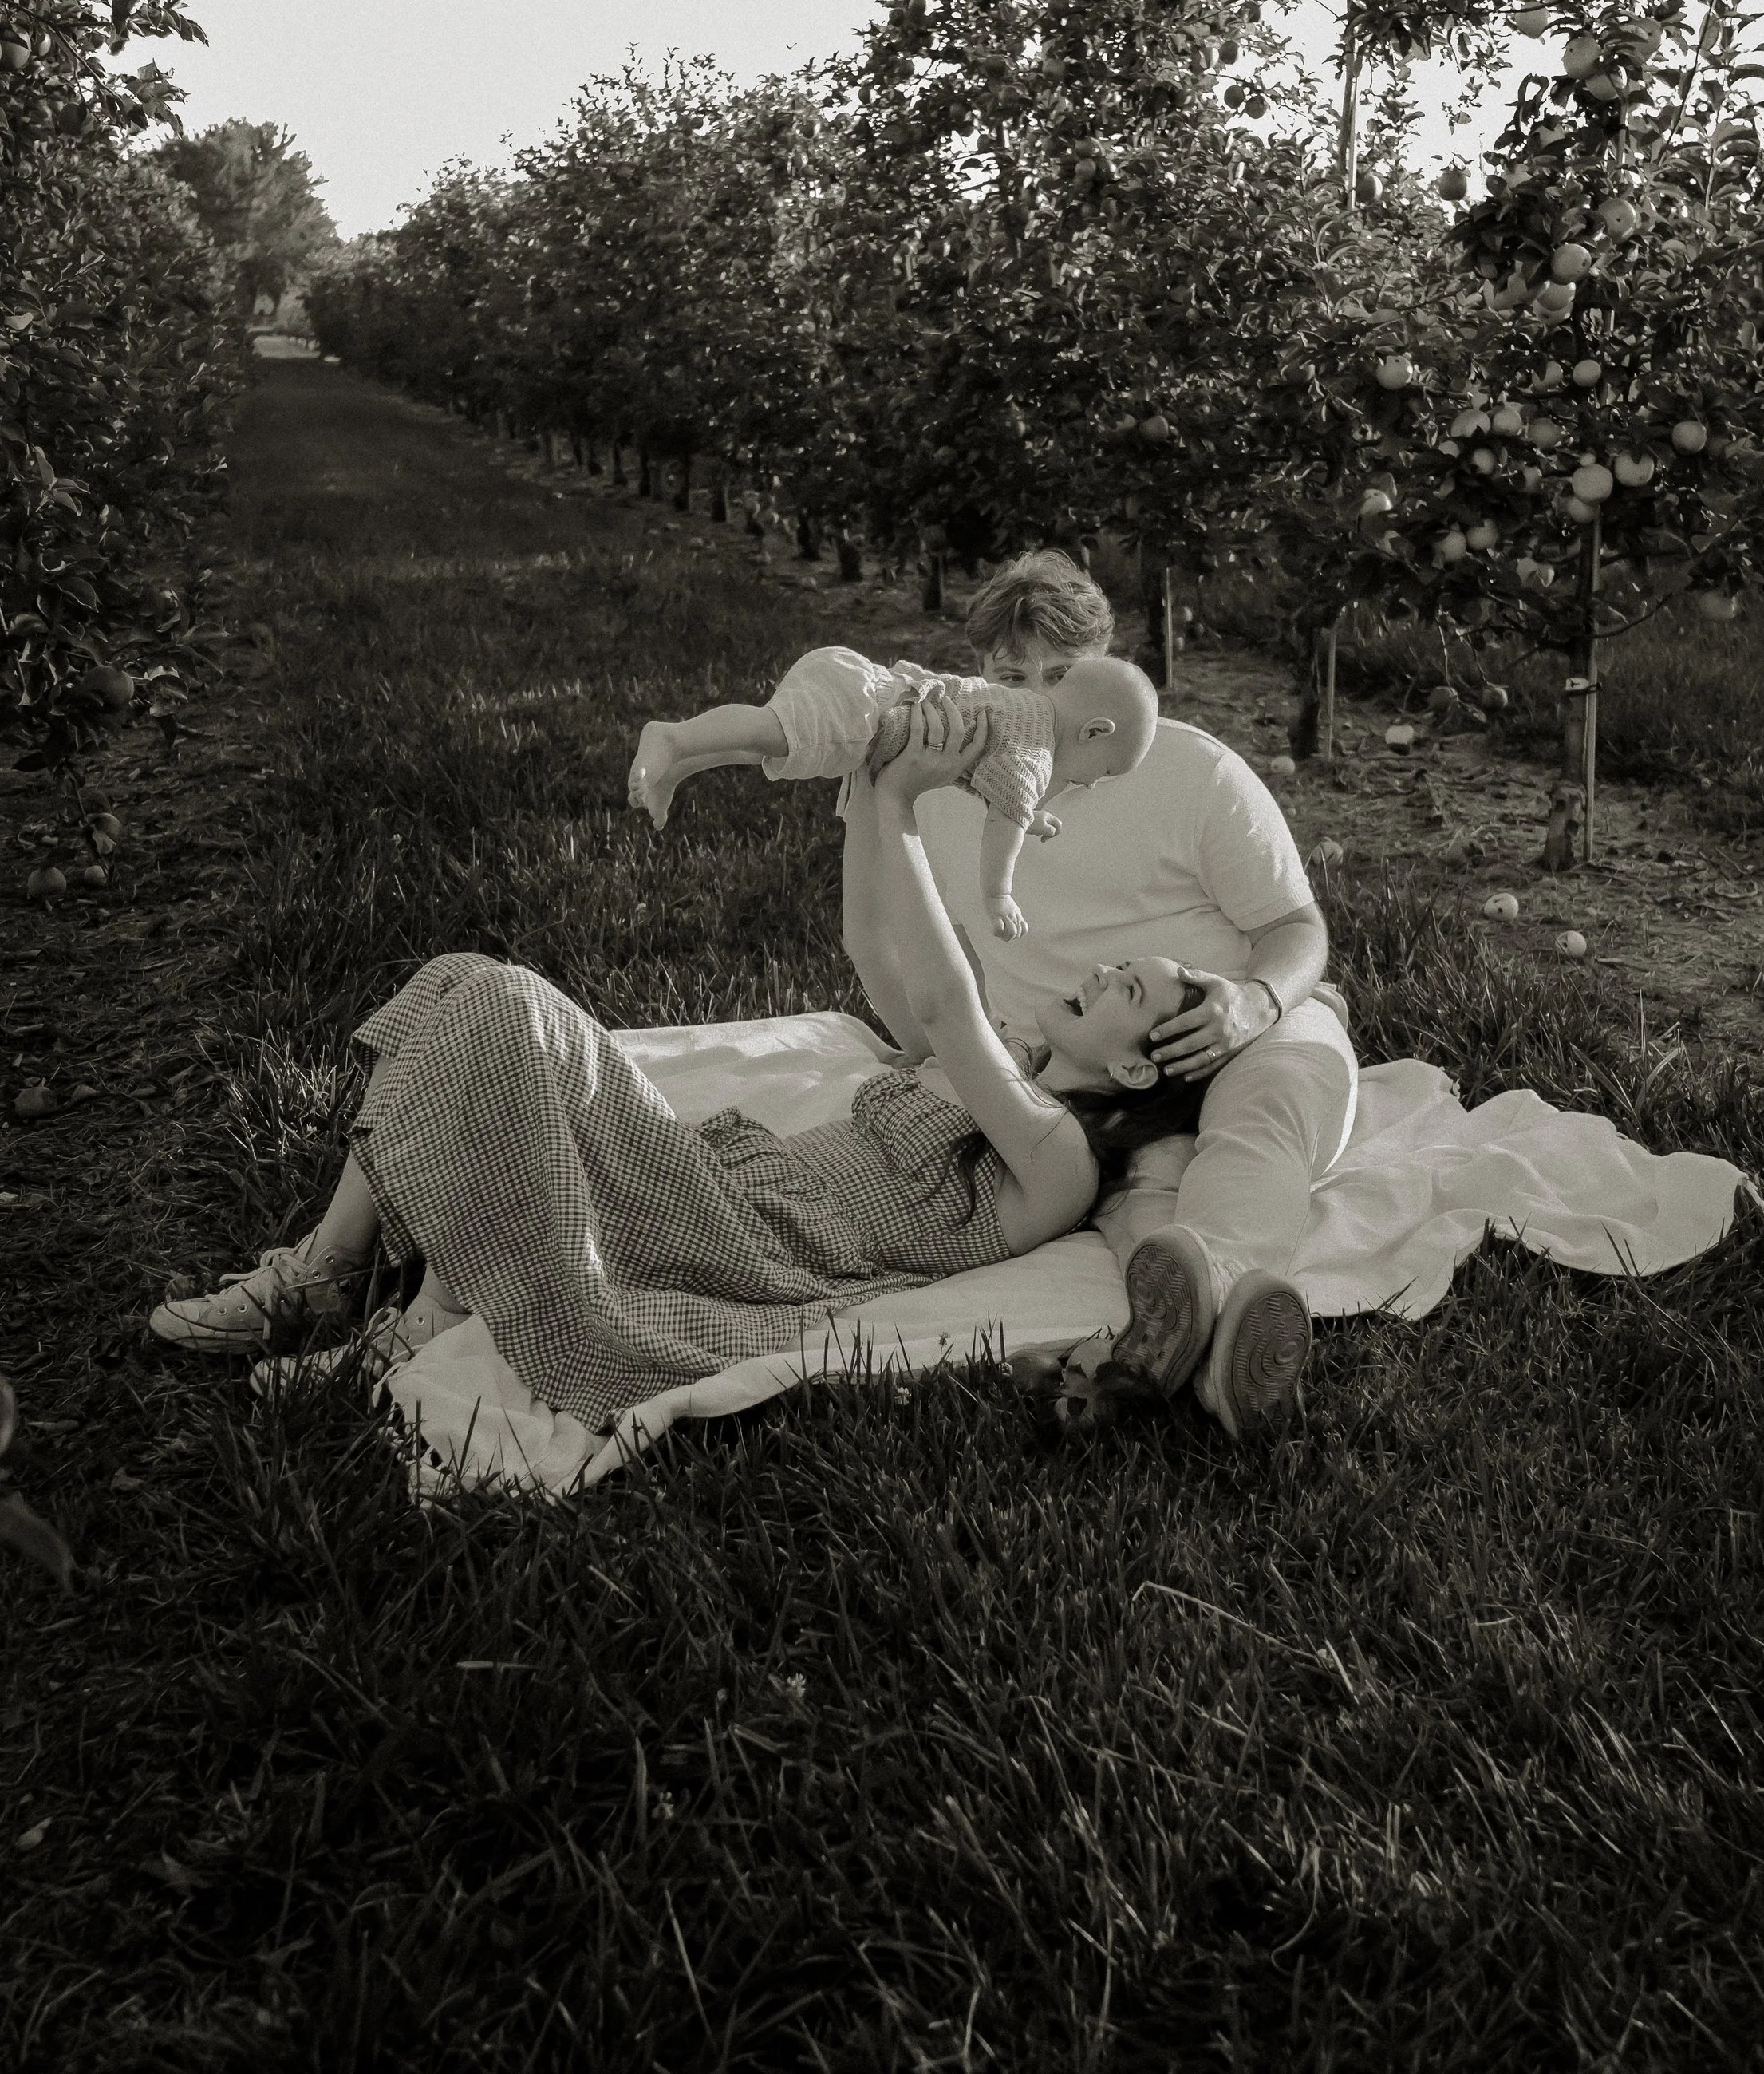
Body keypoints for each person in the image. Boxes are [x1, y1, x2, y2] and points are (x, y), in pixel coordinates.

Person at [148, 702, 1208, 1430]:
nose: (1108, 966)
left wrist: (910, 799)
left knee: (510, 1007)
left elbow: (942, 995)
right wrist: (883, 798)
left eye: (1134, 987)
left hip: (741, 1243)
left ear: (1135, 1062)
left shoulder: (1058, 1157)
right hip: (701, 1174)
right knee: (462, 973)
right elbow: (880, 955)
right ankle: (329, 1274)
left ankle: (406, 1315)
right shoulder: (1006, 1063)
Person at [853, 548, 1358, 1439]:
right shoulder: (941, 782)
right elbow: (897, 955)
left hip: (1226, 1024)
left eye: (1059, 677)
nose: (1036, 702)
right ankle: (1209, 1368)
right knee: (1140, 1201)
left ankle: (1219, 1284)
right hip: (1078, 1072)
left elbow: (1297, 930)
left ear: (1106, 670)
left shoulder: (1194, 770)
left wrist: (1256, 1004)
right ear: (979, 673)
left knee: (1259, 1120)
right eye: (1012, 675)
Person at [626, 643, 1158, 939]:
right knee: (768, 730)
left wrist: (1027, 817)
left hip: (864, 691)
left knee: (774, 744)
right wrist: (998, 895)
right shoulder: (1037, 754)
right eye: (1104, 772)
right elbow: (1004, 821)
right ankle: (672, 736)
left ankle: (678, 767)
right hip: (865, 712)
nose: (1090, 784)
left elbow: (995, 789)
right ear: (1094, 732)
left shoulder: (1025, 716)